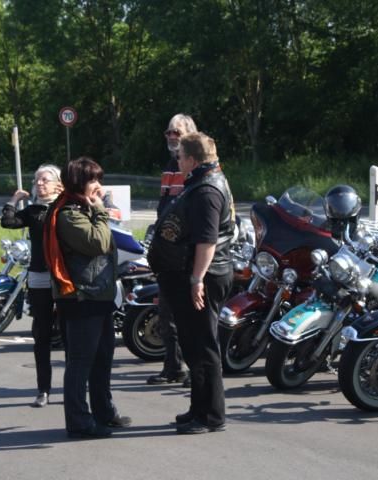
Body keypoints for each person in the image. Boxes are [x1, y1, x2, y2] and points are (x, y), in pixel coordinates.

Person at [148, 132, 235, 434]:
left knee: (202, 346)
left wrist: (197, 279)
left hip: (202, 277)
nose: (178, 161)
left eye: (181, 156)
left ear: (193, 160)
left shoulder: (207, 191)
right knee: (192, 345)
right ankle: (198, 407)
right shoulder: (201, 182)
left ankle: (211, 415)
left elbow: (207, 241)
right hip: (189, 275)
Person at [44, 156, 130, 439]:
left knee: (103, 357)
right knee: (80, 362)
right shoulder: (69, 214)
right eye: (93, 180)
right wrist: (101, 211)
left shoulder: (83, 208)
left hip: (98, 295)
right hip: (80, 297)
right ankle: (79, 421)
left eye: (99, 179)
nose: (98, 185)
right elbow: (99, 242)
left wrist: (98, 209)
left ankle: (104, 412)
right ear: (79, 183)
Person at [0, 164, 63, 408]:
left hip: (64, 277)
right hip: (38, 276)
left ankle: (74, 390)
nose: (39, 183)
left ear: (58, 184)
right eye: (37, 179)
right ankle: (43, 390)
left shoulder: (65, 206)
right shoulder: (33, 210)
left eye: (45, 180)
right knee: (42, 335)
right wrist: (14, 199)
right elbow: (8, 222)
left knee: (70, 333)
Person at [146, 113, 198, 388]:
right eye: (168, 132)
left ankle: (195, 370)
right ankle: (173, 367)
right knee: (166, 313)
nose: (170, 137)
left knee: (188, 316)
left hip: (185, 251)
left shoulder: (195, 166)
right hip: (167, 250)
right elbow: (165, 206)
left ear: (189, 134)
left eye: (176, 132)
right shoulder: (170, 165)